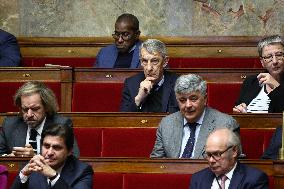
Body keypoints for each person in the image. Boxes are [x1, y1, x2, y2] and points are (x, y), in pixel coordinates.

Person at [150, 74, 239, 158]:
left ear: (205, 99)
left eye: (193, 99)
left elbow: (232, 163)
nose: (188, 105)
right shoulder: (167, 124)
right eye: (182, 100)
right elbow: (156, 162)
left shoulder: (225, 125)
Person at [0, 81, 80, 157]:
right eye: (25, 109)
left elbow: (73, 159)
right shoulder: (10, 125)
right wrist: (8, 158)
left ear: (46, 107)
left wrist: (35, 158)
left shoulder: (61, 124)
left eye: (35, 109)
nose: (29, 114)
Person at [11, 123, 93, 189]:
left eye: (57, 147)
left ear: (69, 151)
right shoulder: (33, 166)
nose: (49, 152)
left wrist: (54, 176)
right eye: (46, 146)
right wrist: (23, 175)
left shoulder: (82, 171)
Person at [189, 128, 269, 189]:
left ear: (234, 151)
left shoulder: (254, 179)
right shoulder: (198, 179)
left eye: (217, 154)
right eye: (209, 154)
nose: (211, 160)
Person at [120, 39, 179, 113]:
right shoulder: (131, 84)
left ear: (165, 62)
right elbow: (123, 120)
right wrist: (139, 98)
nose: (149, 68)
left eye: (154, 61)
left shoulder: (178, 83)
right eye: (144, 61)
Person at [234, 35, 284, 113]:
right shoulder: (251, 82)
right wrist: (239, 111)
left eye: (279, 55)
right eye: (268, 56)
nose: (275, 61)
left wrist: (275, 86)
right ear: (262, 62)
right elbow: (238, 110)